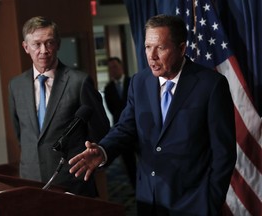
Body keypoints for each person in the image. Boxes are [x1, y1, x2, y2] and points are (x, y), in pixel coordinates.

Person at [69, 14, 237, 215]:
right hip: (149, 200)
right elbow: (126, 128)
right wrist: (103, 150)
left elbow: (223, 153)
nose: (152, 56)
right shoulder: (139, 82)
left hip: (193, 202)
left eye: (161, 48)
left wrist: (210, 201)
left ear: (181, 48)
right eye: (148, 47)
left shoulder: (210, 85)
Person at [8, 16, 110, 197]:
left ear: (58, 44)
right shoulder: (16, 86)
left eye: (49, 43)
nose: (43, 50)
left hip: (72, 183)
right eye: (36, 44)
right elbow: (20, 134)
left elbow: (99, 131)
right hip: (30, 183)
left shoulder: (79, 81)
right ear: (25, 47)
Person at [104, 57, 136, 188]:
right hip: (121, 129)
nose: (113, 70)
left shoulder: (132, 82)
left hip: (139, 128)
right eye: (110, 68)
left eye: (115, 67)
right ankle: (135, 186)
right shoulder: (108, 88)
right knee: (129, 162)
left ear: (121, 67)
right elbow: (112, 109)